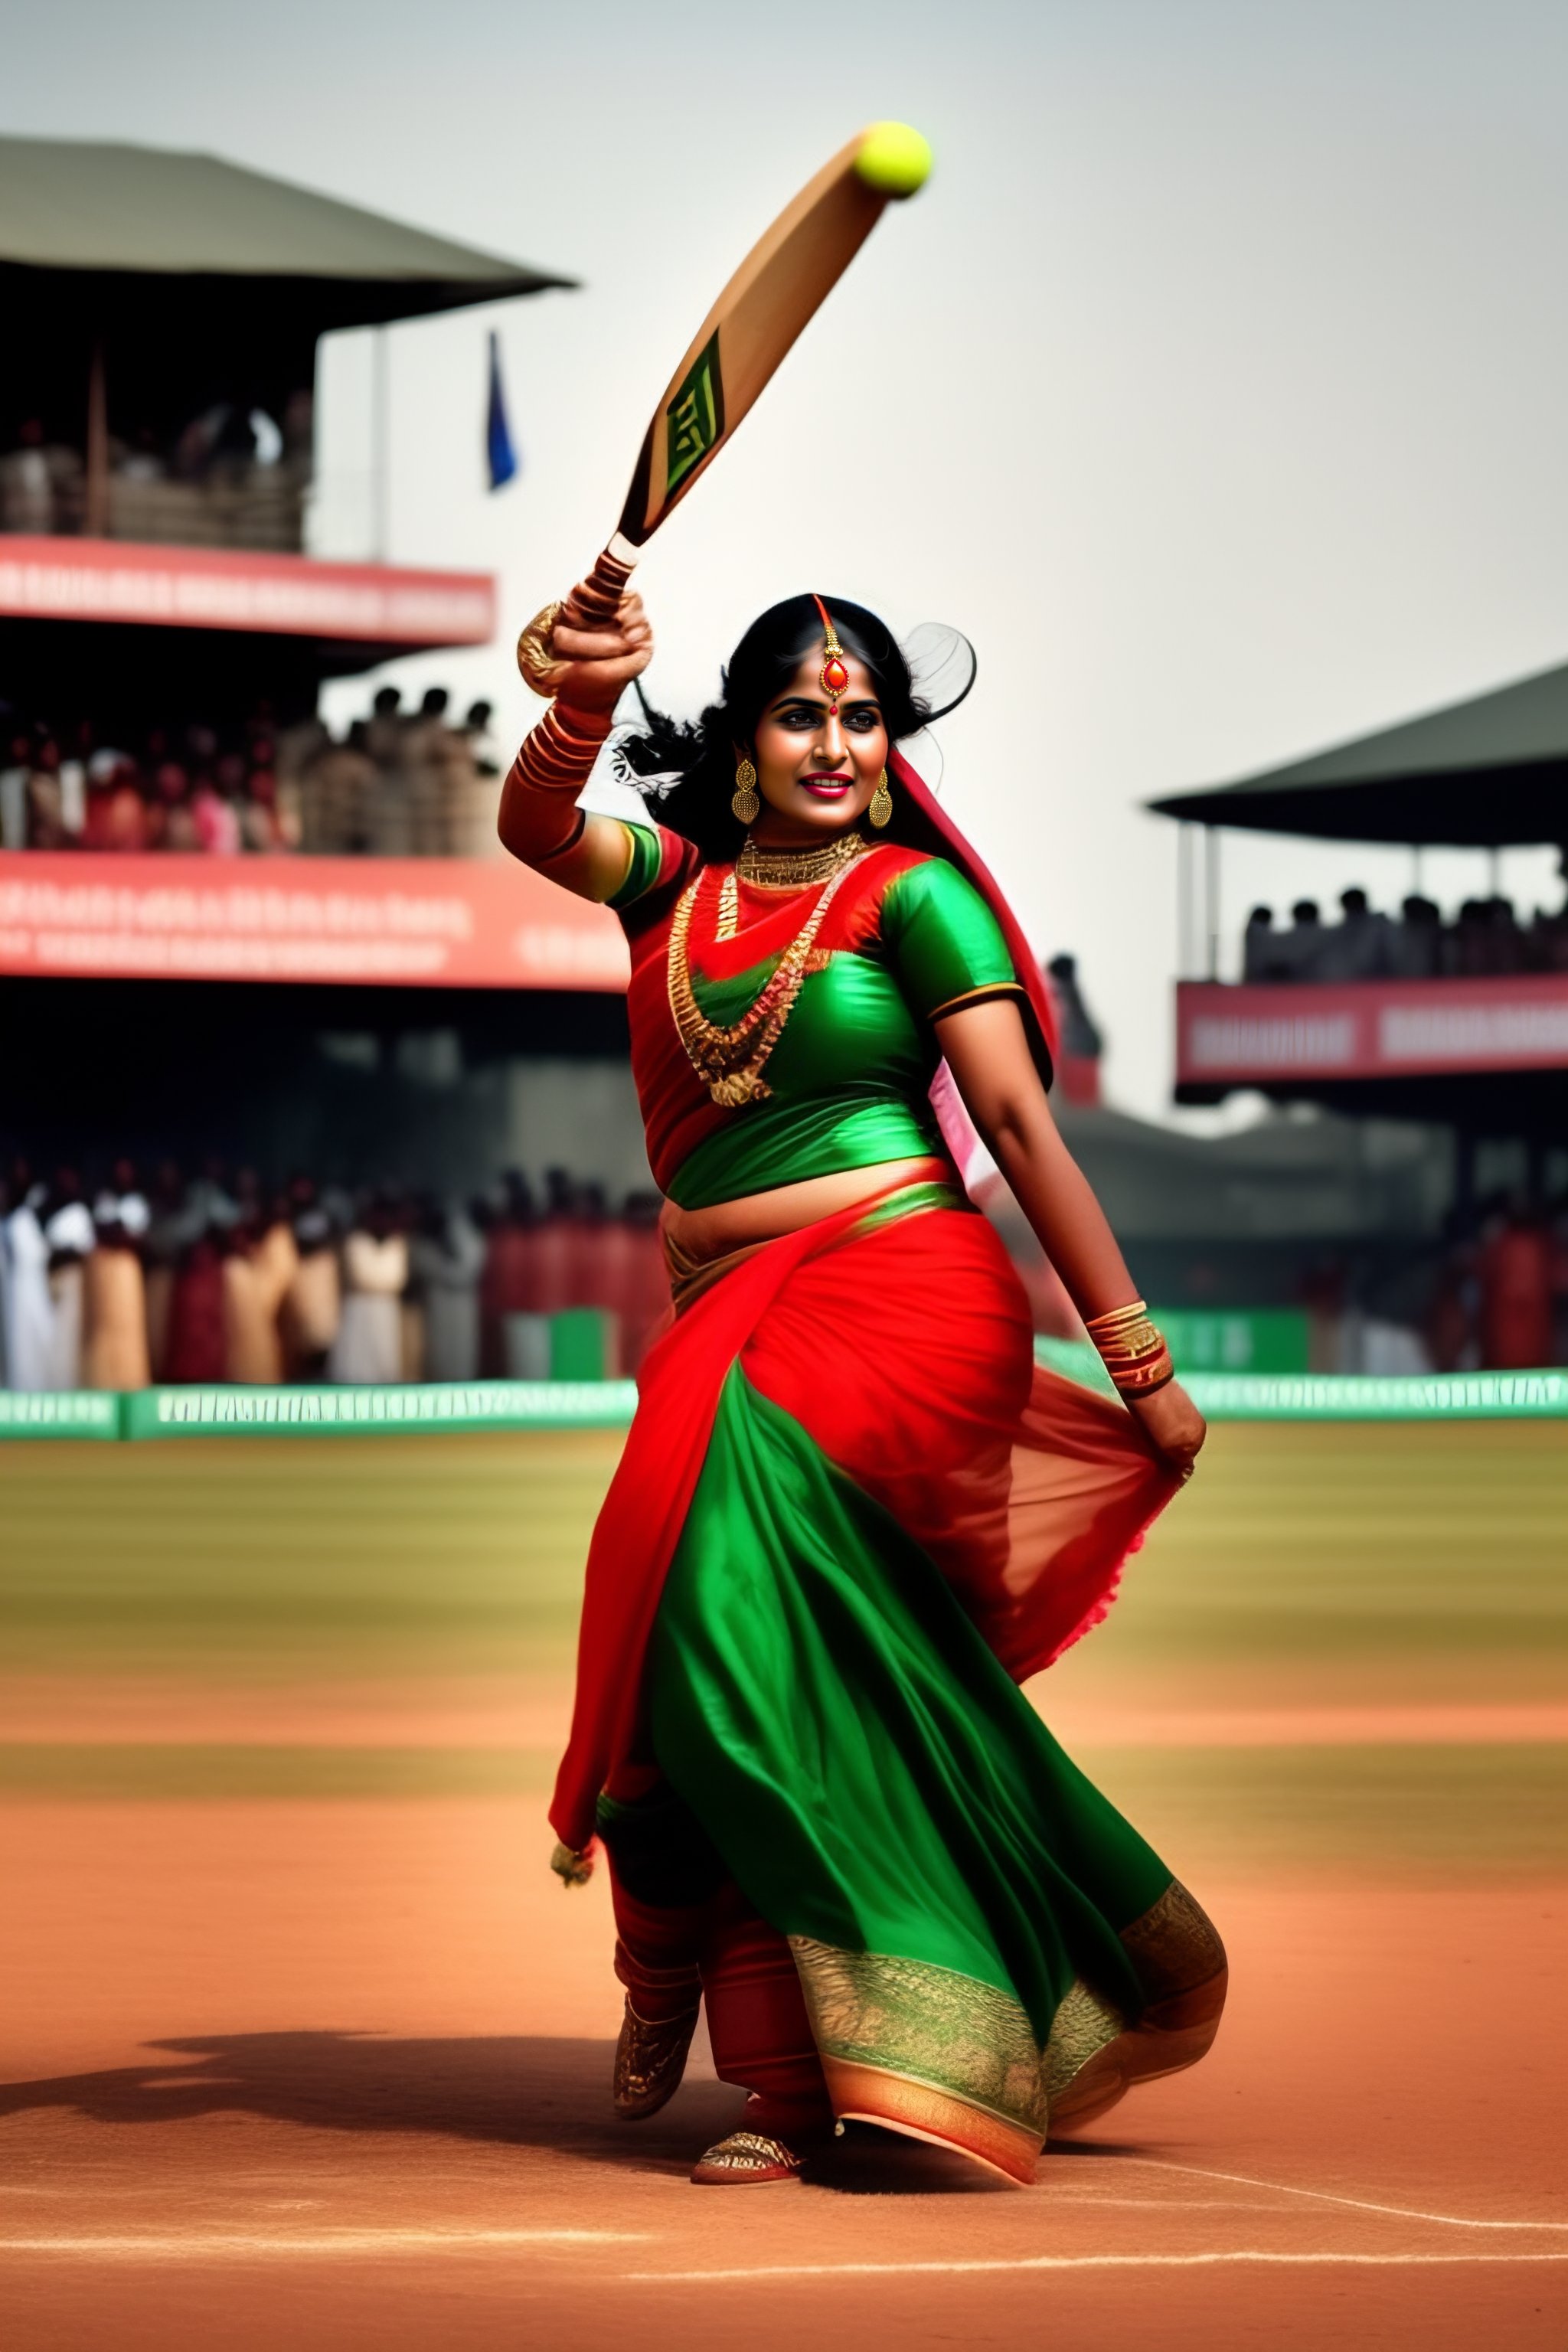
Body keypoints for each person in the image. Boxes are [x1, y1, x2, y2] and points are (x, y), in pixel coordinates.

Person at [498, 581, 1219, 2190]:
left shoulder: (915, 902)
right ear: (744, 746)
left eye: (864, 717)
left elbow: (1019, 1131)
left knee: (722, 1607)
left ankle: (772, 2054)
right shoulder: (669, 892)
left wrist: (1136, 1360)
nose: (836, 744)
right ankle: (704, 1983)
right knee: (702, 1659)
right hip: (722, 1326)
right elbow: (534, 826)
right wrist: (582, 689)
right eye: (801, 715)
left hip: (903, 1300)